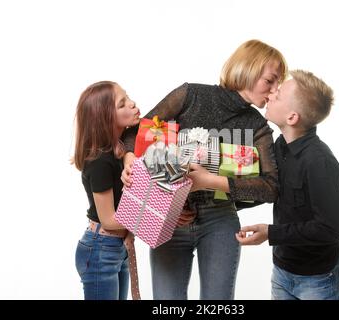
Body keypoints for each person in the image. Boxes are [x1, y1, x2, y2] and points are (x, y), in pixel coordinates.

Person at [122, 40, 288, 299]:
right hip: (171, 218)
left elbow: (271, 188)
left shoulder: (258, 126)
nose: (275, 90)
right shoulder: (190, 96)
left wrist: (208, 180)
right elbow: (136, 132)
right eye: (271, 80)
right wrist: (129, 159)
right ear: (248, 69)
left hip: (220, 220)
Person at [236, 70, 339, 300]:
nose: (270, 94)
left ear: (292, 118)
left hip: (320, 280)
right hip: (283, 271)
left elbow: (331, 228)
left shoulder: (320, 162)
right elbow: (269, 189)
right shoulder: (280, 146)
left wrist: (270, 232)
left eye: (277, 95)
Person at [73, 81, 140, 300]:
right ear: (105, 117)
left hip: (115, 248)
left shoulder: (121, 151)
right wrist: (154, 217)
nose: (132, 104)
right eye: (122, 104)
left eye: (128, 97)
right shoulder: (100, 161)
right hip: (100, 249)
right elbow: (109, 219)